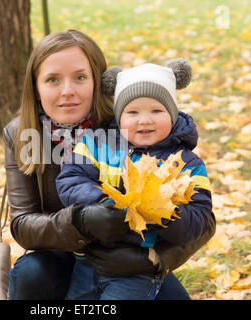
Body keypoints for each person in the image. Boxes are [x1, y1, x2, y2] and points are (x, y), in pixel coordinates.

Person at [3, 29, 216, 300]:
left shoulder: (130, 124)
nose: (67, 92)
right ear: (36, 86)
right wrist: (78, 220)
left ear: (98, 81)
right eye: (52, 80)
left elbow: (203, 220)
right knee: (30, 273)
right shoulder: (22, 133)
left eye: (80, 77)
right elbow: (23, 223)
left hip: (127, 255)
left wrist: (153, 259)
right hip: (59, 252)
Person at [56, 60, 214, 300]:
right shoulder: (98, 145)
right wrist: (102, 201)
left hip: (137, 269)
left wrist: (161, 209)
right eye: (132, 112)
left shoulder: (186, 164)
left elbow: (199, 219)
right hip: (88, 261)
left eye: (156, 111)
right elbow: (71, 179)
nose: (145, 120)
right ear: (119, 117)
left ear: (172, 114)